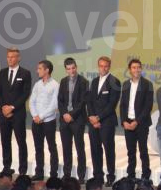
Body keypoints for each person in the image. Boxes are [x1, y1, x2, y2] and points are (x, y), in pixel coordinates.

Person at [0, 48, 32, 175]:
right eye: (8, 57)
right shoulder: (2, 73)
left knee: (21, 142)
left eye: (12, 57)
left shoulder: (25, 73)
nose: (10, 59)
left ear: (18, 58)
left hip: (18, 114)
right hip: (4, 114)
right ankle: (6, 167)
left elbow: (25, 94)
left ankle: (23, 170)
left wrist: (12, 107)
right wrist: (4, 107)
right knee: (5, 141)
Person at [87, 55, 121, 186]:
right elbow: (89, 101)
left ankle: (111, 176)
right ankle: (98, 176)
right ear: (98, 66)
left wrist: (98, 118)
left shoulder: (115, 81)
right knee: (95, 149)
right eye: (101, 65)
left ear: (109, 67)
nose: (103, 68)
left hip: (106, 122)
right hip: (93, 122)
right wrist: (91, 117)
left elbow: (112, 104)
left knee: (109, 149)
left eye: (106, 66)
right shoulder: (94, 81)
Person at [119, 58, 153, 184]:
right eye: (134, 67)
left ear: (141, 68)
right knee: (131, 152)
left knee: (143, 151)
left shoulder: (147, 84)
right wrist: (124, 121)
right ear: (130, 69)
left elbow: (148, 106)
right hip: (128, 123)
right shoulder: (126, 84)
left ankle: (145, 176)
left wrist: (137, 122)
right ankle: (131, 175)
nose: (136, 69)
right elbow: (122, 105)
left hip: (141, 124)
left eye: (138, 67)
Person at [57, 57, 89, 181]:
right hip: (64, 120)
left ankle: (81, 176)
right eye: (69, 69)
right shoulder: (63, 81)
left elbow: (82, 102)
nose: (72, 71)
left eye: (73, 68)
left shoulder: (83, 82)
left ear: (76, 67)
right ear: (66, 70)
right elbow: (60, 100)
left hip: (78, 119)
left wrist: (72, 114)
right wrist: (65, 113)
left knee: (80, 147)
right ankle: (67, 174)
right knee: (66, 148)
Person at [30, 59, 60, 180]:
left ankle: (54, 174)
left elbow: (54, 105)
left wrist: (41, 116)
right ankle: (39, 173)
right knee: (38, 148)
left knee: (52, 147)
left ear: (47, 70)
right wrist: (35, 116)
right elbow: (32, 101)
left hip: (48, 122)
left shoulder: (55, 85)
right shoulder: (37, 84)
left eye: (39, 69)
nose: (37, 71)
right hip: (36, 121)